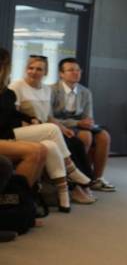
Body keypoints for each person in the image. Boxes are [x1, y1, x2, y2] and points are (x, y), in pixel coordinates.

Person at [2, 51, 90, 212]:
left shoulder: (44, 89)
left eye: (39, 69)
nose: (34, 72)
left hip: (34, 129)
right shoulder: (16, 87)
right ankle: (72, 170)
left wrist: (60, 127)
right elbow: (10, 117)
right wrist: (29, 122)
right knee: (52, 131)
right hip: (16, 132)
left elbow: (45, 116)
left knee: (52, 145)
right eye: (31, 68)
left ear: (45, 72)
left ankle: (63, 195)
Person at [50, 57, 115, 192]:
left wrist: (87, 122)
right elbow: (50, 117)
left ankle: (96, 178)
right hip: (59, 126)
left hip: (80, 126)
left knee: (104, 136)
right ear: (61, 74)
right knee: (86, 136)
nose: (75, 73)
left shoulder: (85, 92)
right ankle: (79, 178)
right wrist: (77, 122)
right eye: (70, 70)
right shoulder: (52, 90)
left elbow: (88, 116)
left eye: (78, 70)